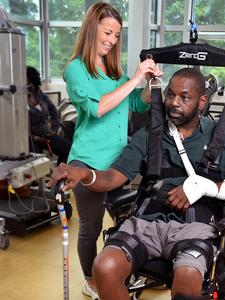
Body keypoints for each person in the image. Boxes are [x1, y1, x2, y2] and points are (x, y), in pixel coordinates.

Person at [50, 68, 225, 300]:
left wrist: (204, 186)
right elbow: (114, 176)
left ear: (201, 101)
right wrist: (85, 174)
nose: (174, 103)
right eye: (170, 95)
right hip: (147, 222)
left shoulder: (221, 138)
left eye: (184, 97)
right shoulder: (150, 135)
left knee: (187, 284)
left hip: (194, 226)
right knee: (104, 267)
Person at [62, 2, 162, 298]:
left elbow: (136, 104)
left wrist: (149, 84)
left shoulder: (113, 69)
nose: (112, 40)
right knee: (90, 228)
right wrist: (133, 80)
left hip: (118, 164)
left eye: (117, 35)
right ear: (92, 29)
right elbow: (98, 108)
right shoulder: (76, 69)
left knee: (126, 223)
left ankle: (118, 271)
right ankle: (92, 281)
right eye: (108, 32)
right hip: (88, 162)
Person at [27, 66, 72, 165]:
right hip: (31, 138)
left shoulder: (38, 93)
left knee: (69, 149)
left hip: (46, 134)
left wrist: (54, 128)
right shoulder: (18, 99)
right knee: (37, 163)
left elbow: (53, 111)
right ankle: (38, 180)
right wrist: (36, 138)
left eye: (28, 81)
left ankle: (60, 176)